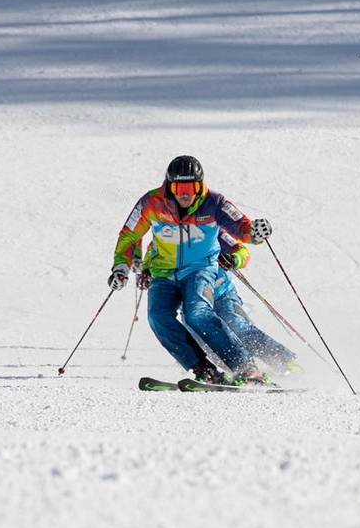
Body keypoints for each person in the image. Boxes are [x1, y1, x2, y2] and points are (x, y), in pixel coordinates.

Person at [109, 155, 273, 385]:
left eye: (191, 187)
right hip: (163, 272)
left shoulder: (214, 202)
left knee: (197, 313)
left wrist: (254, 233)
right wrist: (121, 268)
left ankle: (245, 367)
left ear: (200, 186)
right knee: (158, 317)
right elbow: (130, 235)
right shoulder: (151, 202)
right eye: (179, 187)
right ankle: (203, 369)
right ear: (169, 186)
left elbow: (241, 227)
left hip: (200, 270)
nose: (185, 194)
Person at [134, 230, 301, 378]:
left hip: (222, 295)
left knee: (235, 325)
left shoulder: (211, 231)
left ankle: (284, 360)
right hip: (192, 301)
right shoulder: (164, 236)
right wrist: (147, 272)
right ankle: (220, 373)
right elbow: (151, 257)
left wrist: (233, 259)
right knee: (201, 339)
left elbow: (242, 251)